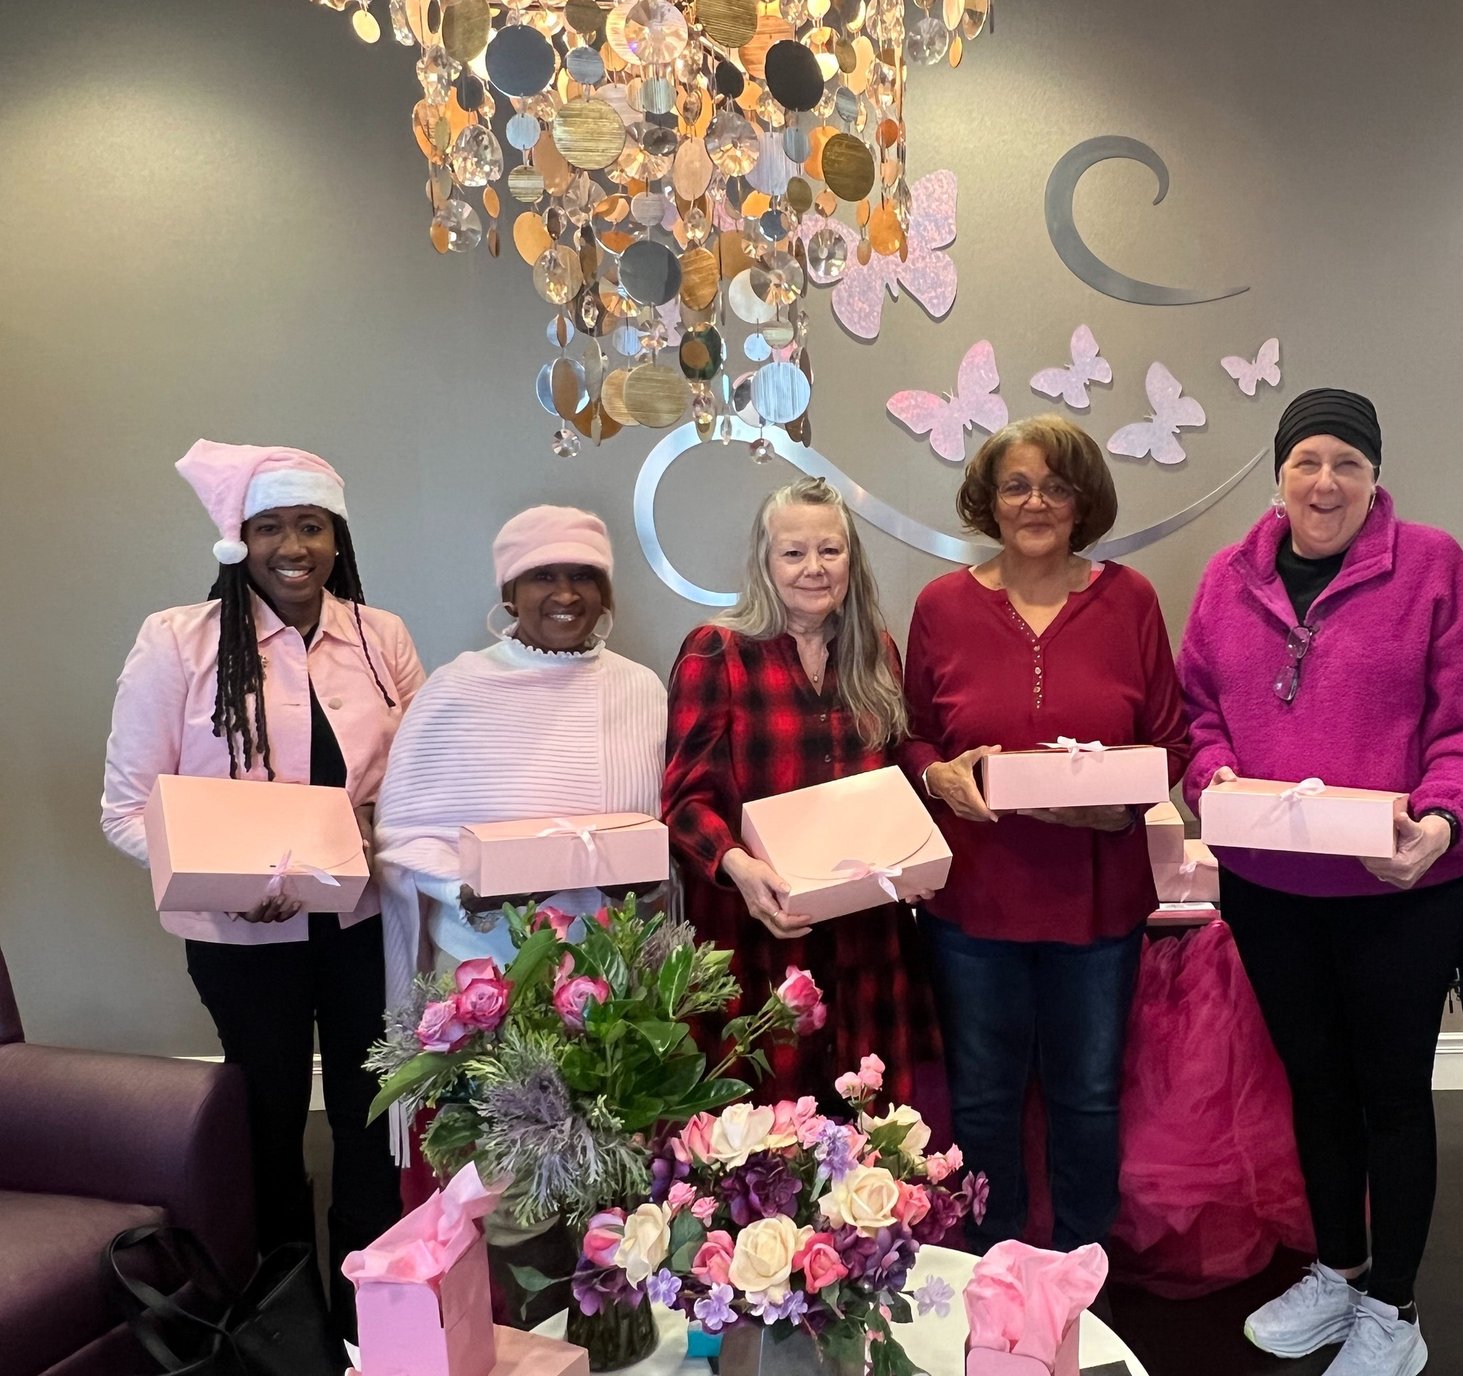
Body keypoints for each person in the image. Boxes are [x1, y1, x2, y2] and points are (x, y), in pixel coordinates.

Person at [1178, 389, 1463, 1376]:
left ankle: (1394, 1307)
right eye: (1308, 461)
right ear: (1279, 474)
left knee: (1394, 1094)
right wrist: (1212, 779)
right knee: (1313, 1086)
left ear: (1374, 479)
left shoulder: (1433, 567)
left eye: (1347, 464)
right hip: (1271, 889)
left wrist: (1440, 822)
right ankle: (1338, 1269)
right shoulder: (1226, 579)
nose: (1326, 482)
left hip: (1398, 888)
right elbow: (1201, 715)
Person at [102, 440, 423, 1341]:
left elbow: (431, 779)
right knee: (270, 1137)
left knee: (371, 1131)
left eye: (312, 525)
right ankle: (291, 1341)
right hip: (245, 947)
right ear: (239, 539)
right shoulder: (180, 642)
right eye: (273, 526)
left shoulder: (379, 637)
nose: (295, 545)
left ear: (337, 536)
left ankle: (375, 1335)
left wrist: (383, 833)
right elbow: (124, 809)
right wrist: (225, 885)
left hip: (365, 929)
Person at [903, 415, 1191, 1252]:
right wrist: (938, 775)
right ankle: (991, 1267)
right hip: (973, 904)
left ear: (1082, 501)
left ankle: (1079, 1269)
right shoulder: (942, 606)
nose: (1036, 502)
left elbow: (1171, 739)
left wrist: (1123, 807)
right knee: (984, 1097)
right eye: (1016, 485)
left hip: (1096, 905)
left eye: (1055, 485)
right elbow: (915, 733)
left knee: (1089, 1094)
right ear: (989, 502)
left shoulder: (1129, 599)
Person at [662, 477, 938, 1104]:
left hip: (867, 935)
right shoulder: (717, 651)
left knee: (872, 1128)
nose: (814, 568)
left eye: (830, 551)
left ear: (851, 560)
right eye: (793, 553)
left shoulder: (876, 654)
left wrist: (917, 856)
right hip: (760, 930)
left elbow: (895, 785)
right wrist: (740, 869)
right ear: (765, 562)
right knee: (765, 1135)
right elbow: (684, 802)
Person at [374, 504, 669, 1006]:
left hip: (612, 967)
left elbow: (662, 823)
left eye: (584, 576)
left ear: (604, 594)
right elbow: (402, 835)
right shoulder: (457, 687)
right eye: (542, 576)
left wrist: (644, 884)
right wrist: (462, 892)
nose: (566, 593)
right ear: (509, 595)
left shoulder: (641, 688)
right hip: (479, 970)